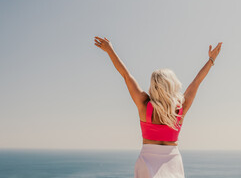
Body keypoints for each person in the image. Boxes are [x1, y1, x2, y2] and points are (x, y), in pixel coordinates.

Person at [94, 36, 222, 178]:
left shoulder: (144, 104)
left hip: (147, 162)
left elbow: (126, 75)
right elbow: (197, 81)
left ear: (153, 87)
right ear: (172, 85)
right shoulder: (180, 108)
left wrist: (110, 50)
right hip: (173, 162)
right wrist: (211, 60)